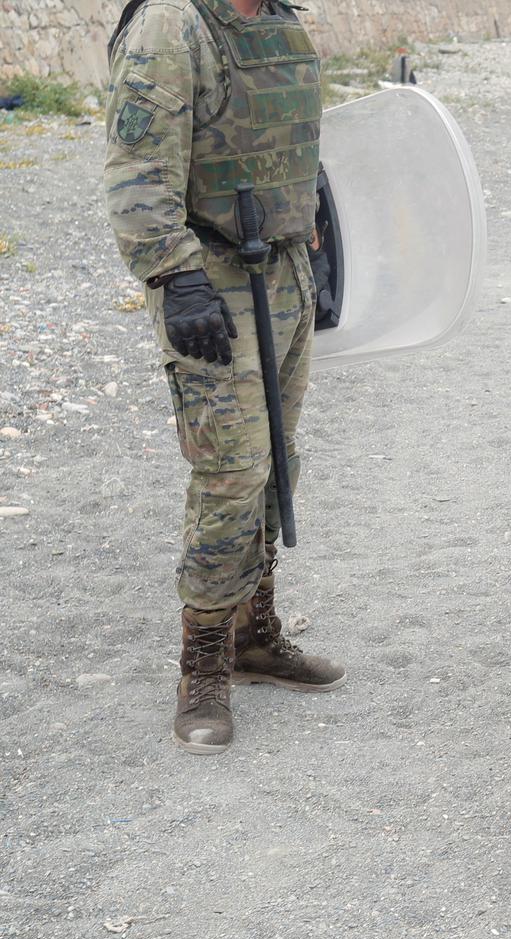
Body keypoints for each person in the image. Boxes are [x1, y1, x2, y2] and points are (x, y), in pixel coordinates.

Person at [104, 0, 344, 755]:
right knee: (229, 472)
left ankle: (252, 635)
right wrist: (176, 278)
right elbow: (137, 166)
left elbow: (291, 141)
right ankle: (201, 662)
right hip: (212, 278)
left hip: (286, 270)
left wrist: (310, 225)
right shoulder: (175, 23)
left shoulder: (279, 18)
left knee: (277, 459)